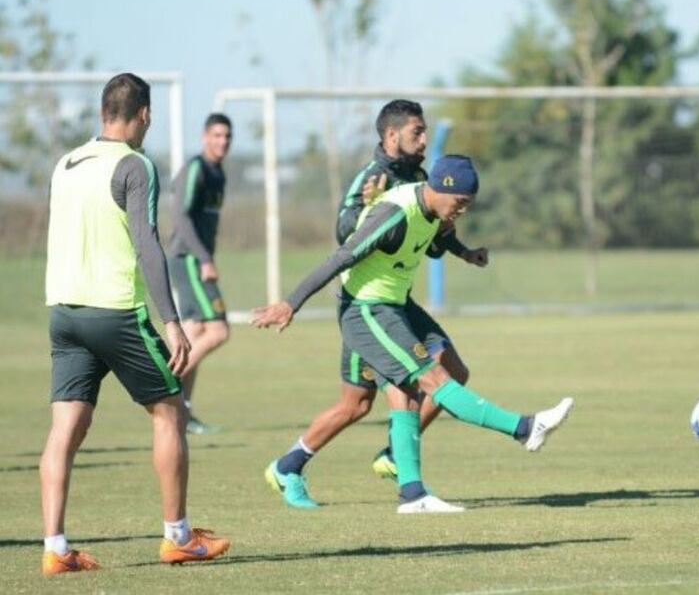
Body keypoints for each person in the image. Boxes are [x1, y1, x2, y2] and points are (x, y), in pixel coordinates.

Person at [253, 155, 573, 513]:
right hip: (367, 310)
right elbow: (341, 257)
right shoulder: (393, 212)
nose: (463, 211)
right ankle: (525, 428)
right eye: (461, 202)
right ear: (440, 189)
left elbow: (439, 238)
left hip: (395, 306)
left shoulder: (434, 209)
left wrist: (465, 253)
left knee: (365, 402)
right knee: (435, 378)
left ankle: (400, 489)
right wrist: (290, 304)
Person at [40, 73, 230, 575]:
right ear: (144, 114)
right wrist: (171, 321)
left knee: (64, 430)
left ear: (104, 112)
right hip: (114, 311)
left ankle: (55, 549)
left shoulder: (66, 163)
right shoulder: (135, 164)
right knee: (170, 410)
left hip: (63, 310)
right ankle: (178, 537)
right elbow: (147, 243)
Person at [260, 100, 487, 510]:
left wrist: (461, 250)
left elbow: (432, 240)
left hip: (395, 301)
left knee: (424, 379)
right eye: (417, 131)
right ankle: (295, 466)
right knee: (364, 402)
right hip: (366, 302)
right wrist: (369, 205)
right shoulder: (373, 176)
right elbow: (345, 231)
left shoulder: (421, 177)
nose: (423, 138)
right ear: (391, 135)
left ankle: (372, 459)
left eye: (424, 131)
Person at [167, 113, 233, 434]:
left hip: (196, 259)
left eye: (227, 137)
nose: (222, 142)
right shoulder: (196, 168)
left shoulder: (218, 173)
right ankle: (165, 387)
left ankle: (183, 413)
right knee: (219, 331)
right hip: (189, 259)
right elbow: (179, 216)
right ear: (205, 137)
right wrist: (205, 258)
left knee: (193, 336)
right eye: (217, 135)